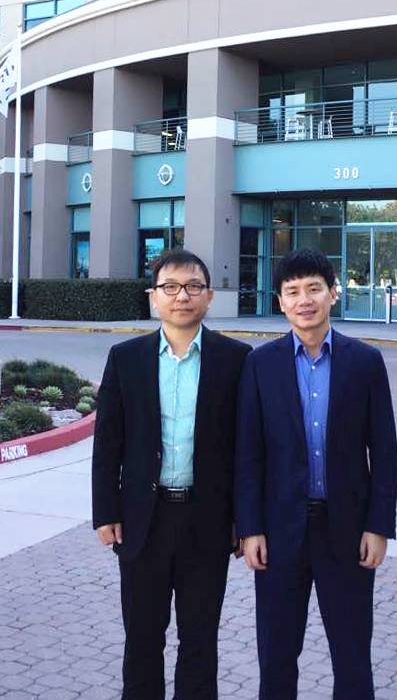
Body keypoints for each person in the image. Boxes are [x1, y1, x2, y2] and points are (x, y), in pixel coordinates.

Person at [235, 248, 397, 700]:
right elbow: (248, 454)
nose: (304, 300)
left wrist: (378, 526)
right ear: (280, 301)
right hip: (279, 534)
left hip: (346, 532)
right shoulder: (260, 364)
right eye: (293, 291)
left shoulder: (364, 362)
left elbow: (384, 451)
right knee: (276, 656)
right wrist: (250, 529)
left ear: (333, 294)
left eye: (314, 289)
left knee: (352, 656)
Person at [92, 248, 252, 700]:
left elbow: (246, 449)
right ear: (154, 296)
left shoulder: (236, 359)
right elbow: (108, 443)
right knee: (142, 639)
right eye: (170, 287)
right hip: (143, 521)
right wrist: (105, 512)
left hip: (207, 522)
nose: (182, 296)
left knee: (200, 641)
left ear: (209, 296)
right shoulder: (126, 358)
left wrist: (245, 521)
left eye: (193, 286)